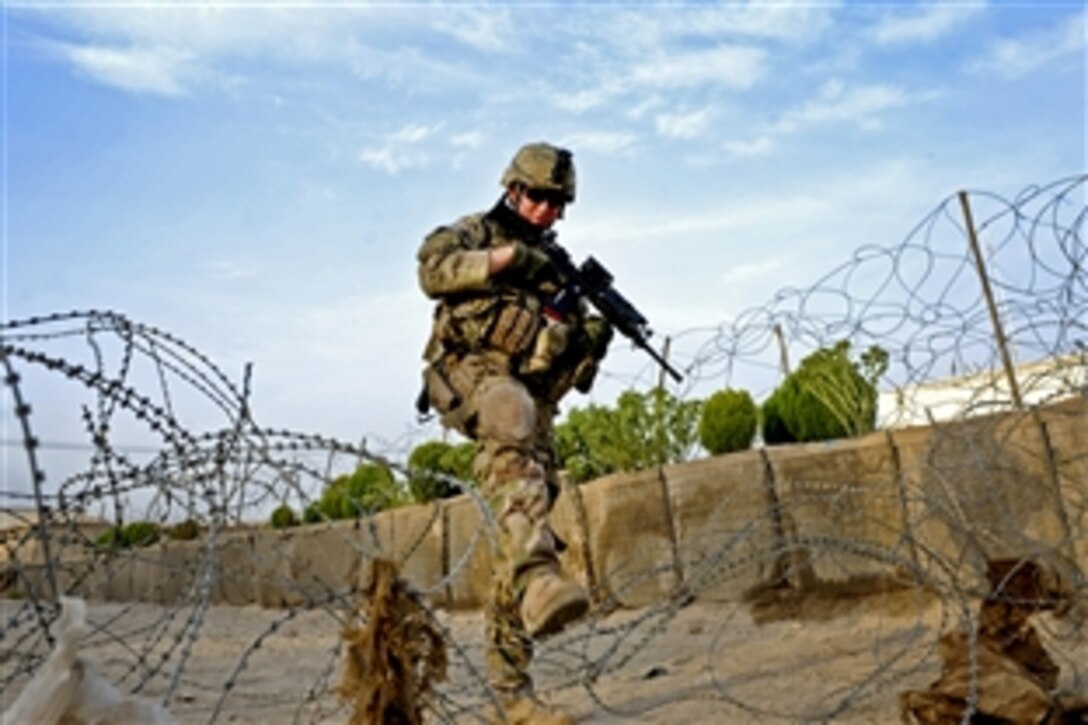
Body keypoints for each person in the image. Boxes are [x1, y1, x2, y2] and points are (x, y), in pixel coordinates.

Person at [416, 142, 612, 712]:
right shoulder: (474, 232)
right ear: (514, 190)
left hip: (530, 408)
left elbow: (556, 379)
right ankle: (538, 577)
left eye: (559, 203)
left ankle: (513, 697)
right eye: (542, 198)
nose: (550, 211)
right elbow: (432, 271)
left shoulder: (558, 269)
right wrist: (506, 262)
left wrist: (585, 343)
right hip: (474, 379)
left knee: (523, 520)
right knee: (508, 410)